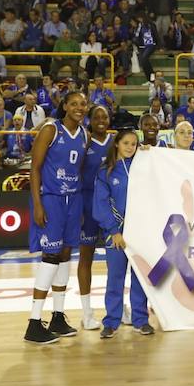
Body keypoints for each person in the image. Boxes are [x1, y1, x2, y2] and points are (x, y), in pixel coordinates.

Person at [24, 91, 88, 344]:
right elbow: (35, 168)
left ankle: (58, 317)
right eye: (74, 104)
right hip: (51, 198)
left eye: (83, 104)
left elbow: (79, 170)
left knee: (64, 255)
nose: (79, 108)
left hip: (74, 200)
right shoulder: (51, 129)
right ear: (65, 106)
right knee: (50, 256)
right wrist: (38, 204)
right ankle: (33, 322)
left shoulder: (84, 134)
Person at [92, 129, 154, 338]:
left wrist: (147, 153)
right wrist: (114, 231)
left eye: (134, 144)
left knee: (139, 278)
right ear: (117, 144)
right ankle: (111, 321)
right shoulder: (105, 172)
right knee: (115, 278)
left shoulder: (141, 167)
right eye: (126, 143)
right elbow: (100, 204)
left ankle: (140, 320)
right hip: (116, 235)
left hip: (139, 234)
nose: (130, 147)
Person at [77, 106, 112, 331]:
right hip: (88, 206)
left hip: (111, 207)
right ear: (90, 120)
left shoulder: (117, 142)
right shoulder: (84, 142)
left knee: (117, 261)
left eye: (104, 117)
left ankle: (117, 308)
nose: (100, 120)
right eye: (96, 117)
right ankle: (86, 311)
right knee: (85, 257)